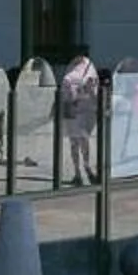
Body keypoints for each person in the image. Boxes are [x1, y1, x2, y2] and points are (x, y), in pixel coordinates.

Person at [59, 47, 101, 184]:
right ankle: (82, 170)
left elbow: (67, 95)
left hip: (78, 111)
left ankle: (82, 171)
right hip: (80, 110)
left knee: (78, 142)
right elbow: (93, 92)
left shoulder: (78, 71)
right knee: (79, 142)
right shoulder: (86, 69)